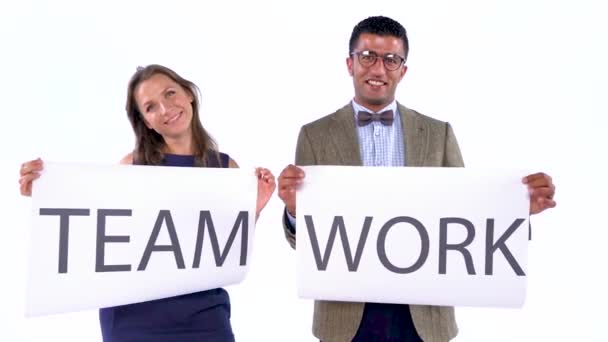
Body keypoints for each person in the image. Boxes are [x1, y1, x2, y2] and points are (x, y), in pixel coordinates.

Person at [277, 16, 557, 342]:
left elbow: (467, 214)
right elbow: (306, 245)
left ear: (403, 70)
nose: (378, 69)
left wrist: (517, 210)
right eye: (367, 56)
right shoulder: (314, 135)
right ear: (350, 63)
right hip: (346, 314)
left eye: (390, 59)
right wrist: (296, 211)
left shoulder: (438, 135)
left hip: (423, 314)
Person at [18, 64, 277, 342]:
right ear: (146, 121)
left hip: (205, 315)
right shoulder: (133, 166)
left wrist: (255, 207)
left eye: (170, 94)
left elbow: (224, 245)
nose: (165, 109)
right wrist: (46, 191)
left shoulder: (225, 167)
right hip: (135, 319)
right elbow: (93, 220)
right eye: (151, 107)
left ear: (189, 94)